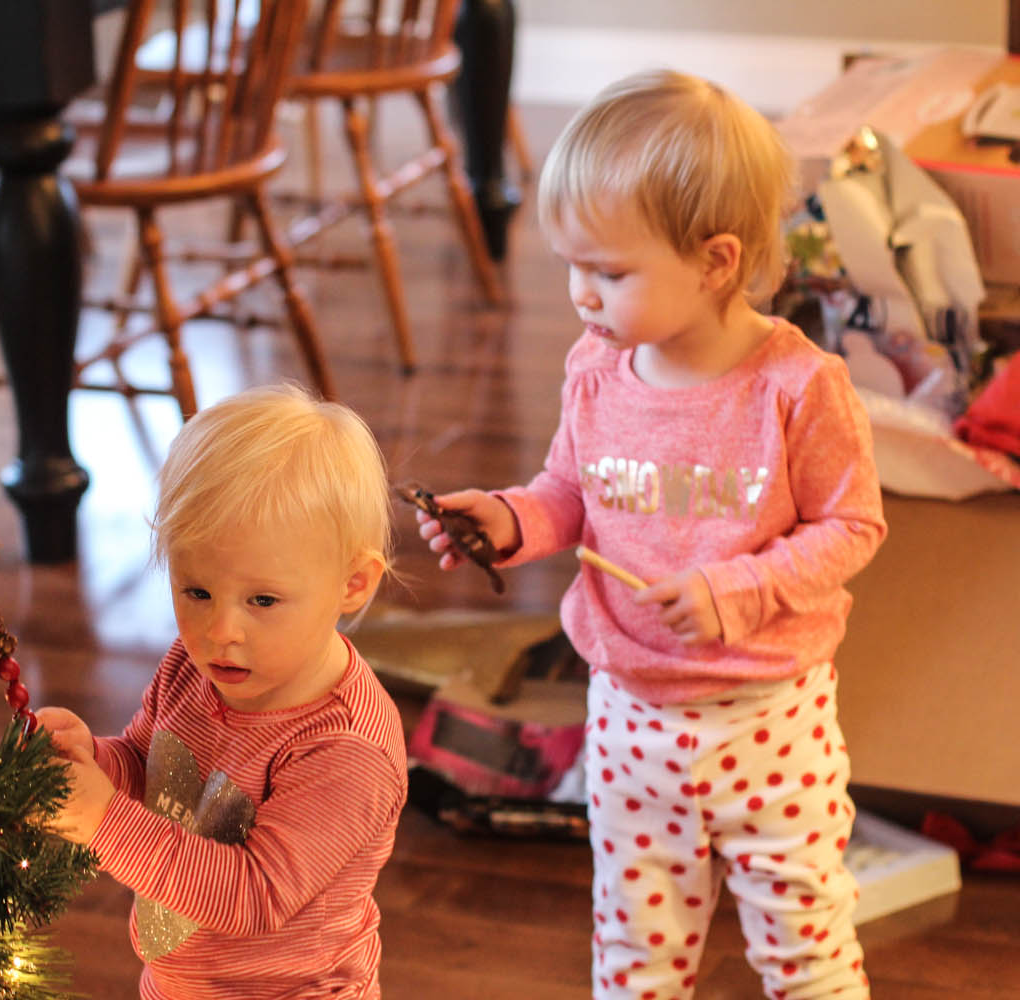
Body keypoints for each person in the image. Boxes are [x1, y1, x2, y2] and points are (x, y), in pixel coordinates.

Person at [416, 70, 886, 999]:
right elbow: (569, 492)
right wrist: (510, 520)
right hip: (629, 717)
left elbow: (853, 524)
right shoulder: (596, 369)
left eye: (610, 272)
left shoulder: (797, 387)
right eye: (571, 266)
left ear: (715, 262)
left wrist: (737, 588)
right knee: (635, 953)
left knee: (808, 955)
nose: (581, 295)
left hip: (768, 722)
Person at [37, 384, 407, 999]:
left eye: (262, 600)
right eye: (197, 591)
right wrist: (92, 761)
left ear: (352, 584)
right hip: (177, 983)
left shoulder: (345, 749)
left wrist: (102, 818)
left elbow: (252, 894)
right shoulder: (192, 667)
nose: (221, 631)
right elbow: (150, 770)